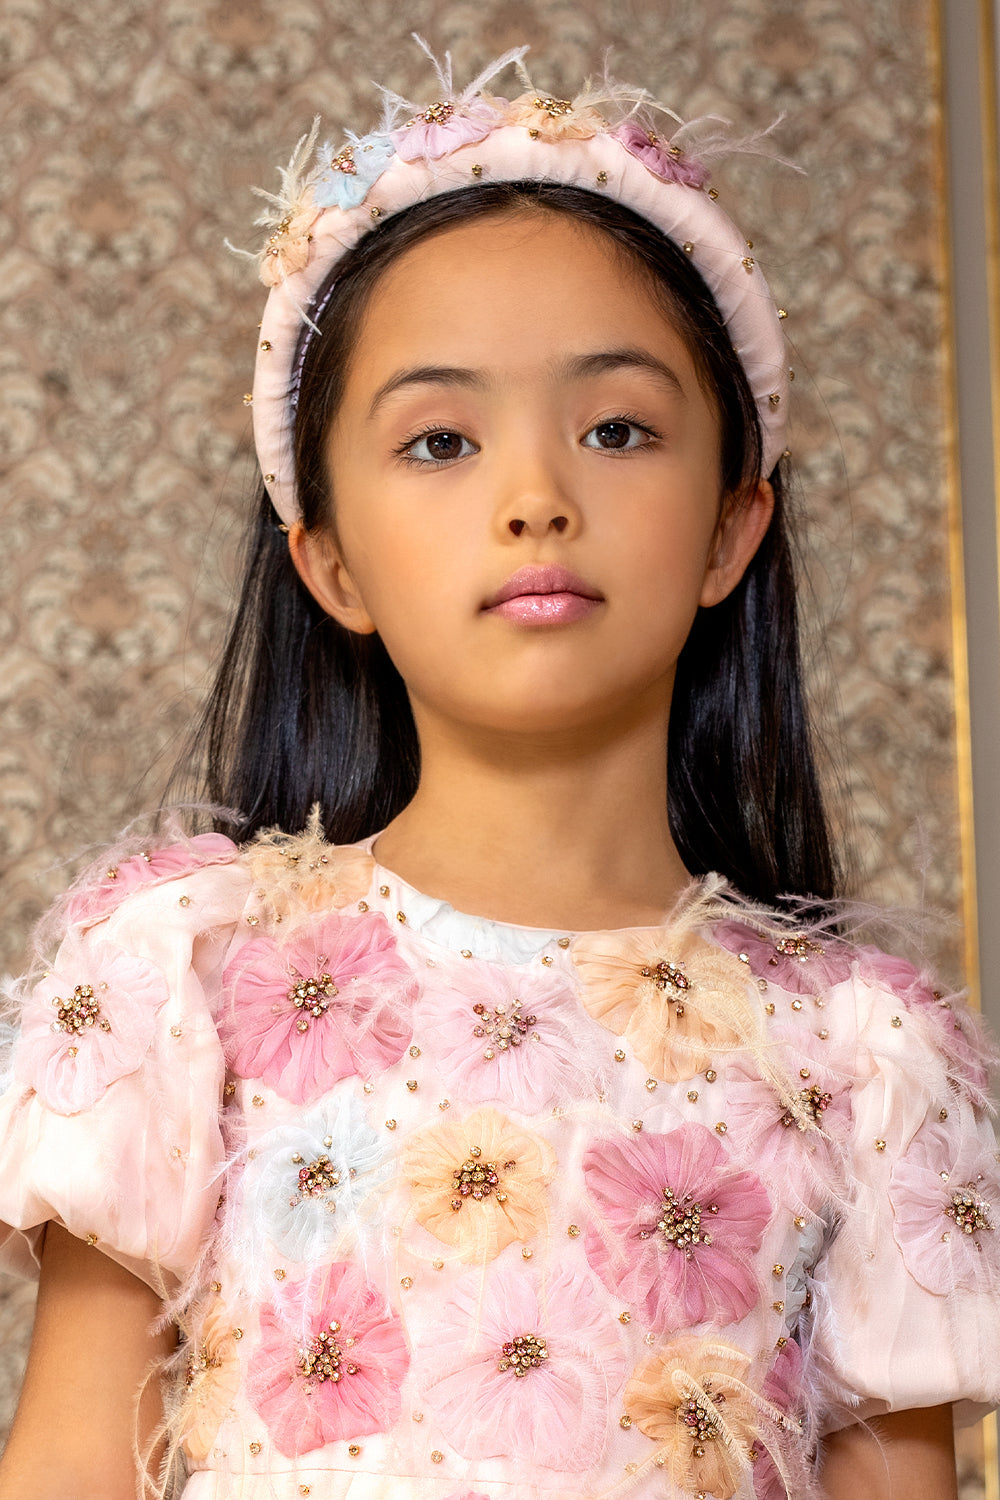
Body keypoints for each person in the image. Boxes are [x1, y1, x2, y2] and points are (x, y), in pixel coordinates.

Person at [0, 39, 996, 1500]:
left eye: (616, 428)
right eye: (442, 440)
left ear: (731, 527)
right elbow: (68, 1468)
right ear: (328, 558)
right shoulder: (192, 974)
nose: (535, 498)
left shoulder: (863, 1062)